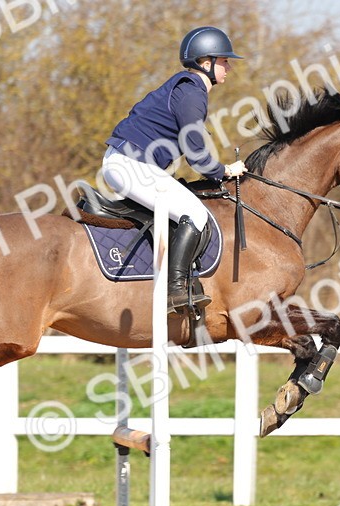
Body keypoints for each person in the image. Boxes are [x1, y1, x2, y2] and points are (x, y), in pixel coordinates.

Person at [101, 26, 247, 313]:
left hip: (129, 163)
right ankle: (175, 290)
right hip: (131, 166)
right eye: (225, 60)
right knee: (194, 214)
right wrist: (224, 171)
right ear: (206, 63)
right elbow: (196, 153)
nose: (229, 67)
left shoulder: (185, 88)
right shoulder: (192, 93)